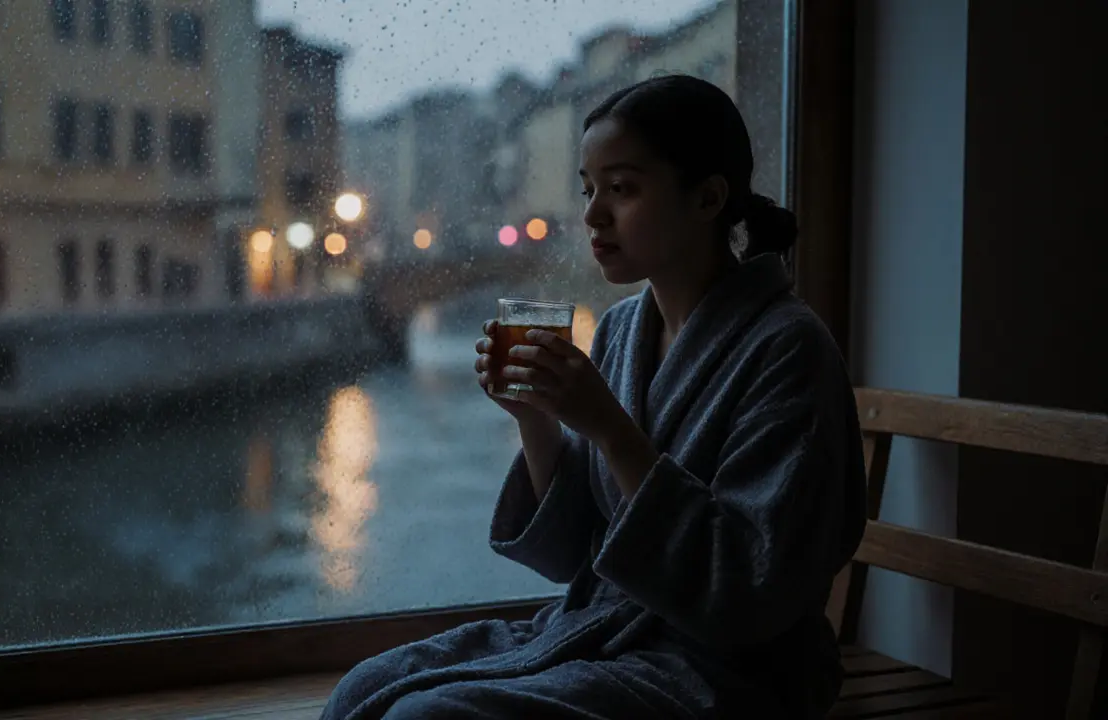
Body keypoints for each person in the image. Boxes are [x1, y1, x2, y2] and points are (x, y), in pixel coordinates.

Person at [321, 74, 868, 719]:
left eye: (623, 189)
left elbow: (752, 586)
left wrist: (609, 427)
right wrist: (537, 423)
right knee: (362, 687)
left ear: (709, 197)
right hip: (605, 628)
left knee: (425, 718)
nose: (592, 215)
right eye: (588, 190)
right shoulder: (622, 329)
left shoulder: (789, 351)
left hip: (730, 670)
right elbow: (570, 558)